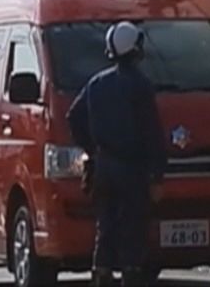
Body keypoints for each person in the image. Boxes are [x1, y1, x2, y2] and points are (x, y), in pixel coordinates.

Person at [68, 21, 167, 287]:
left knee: (105, 225)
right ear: (134, 50)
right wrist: (157, 174)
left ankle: (101, 274)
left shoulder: (96, 84)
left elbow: (74, 118)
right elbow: (152, 133)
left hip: (103, 167)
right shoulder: (141, 86)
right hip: (132, 168)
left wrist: (92, 148)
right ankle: (131, 275)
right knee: (133, 225)